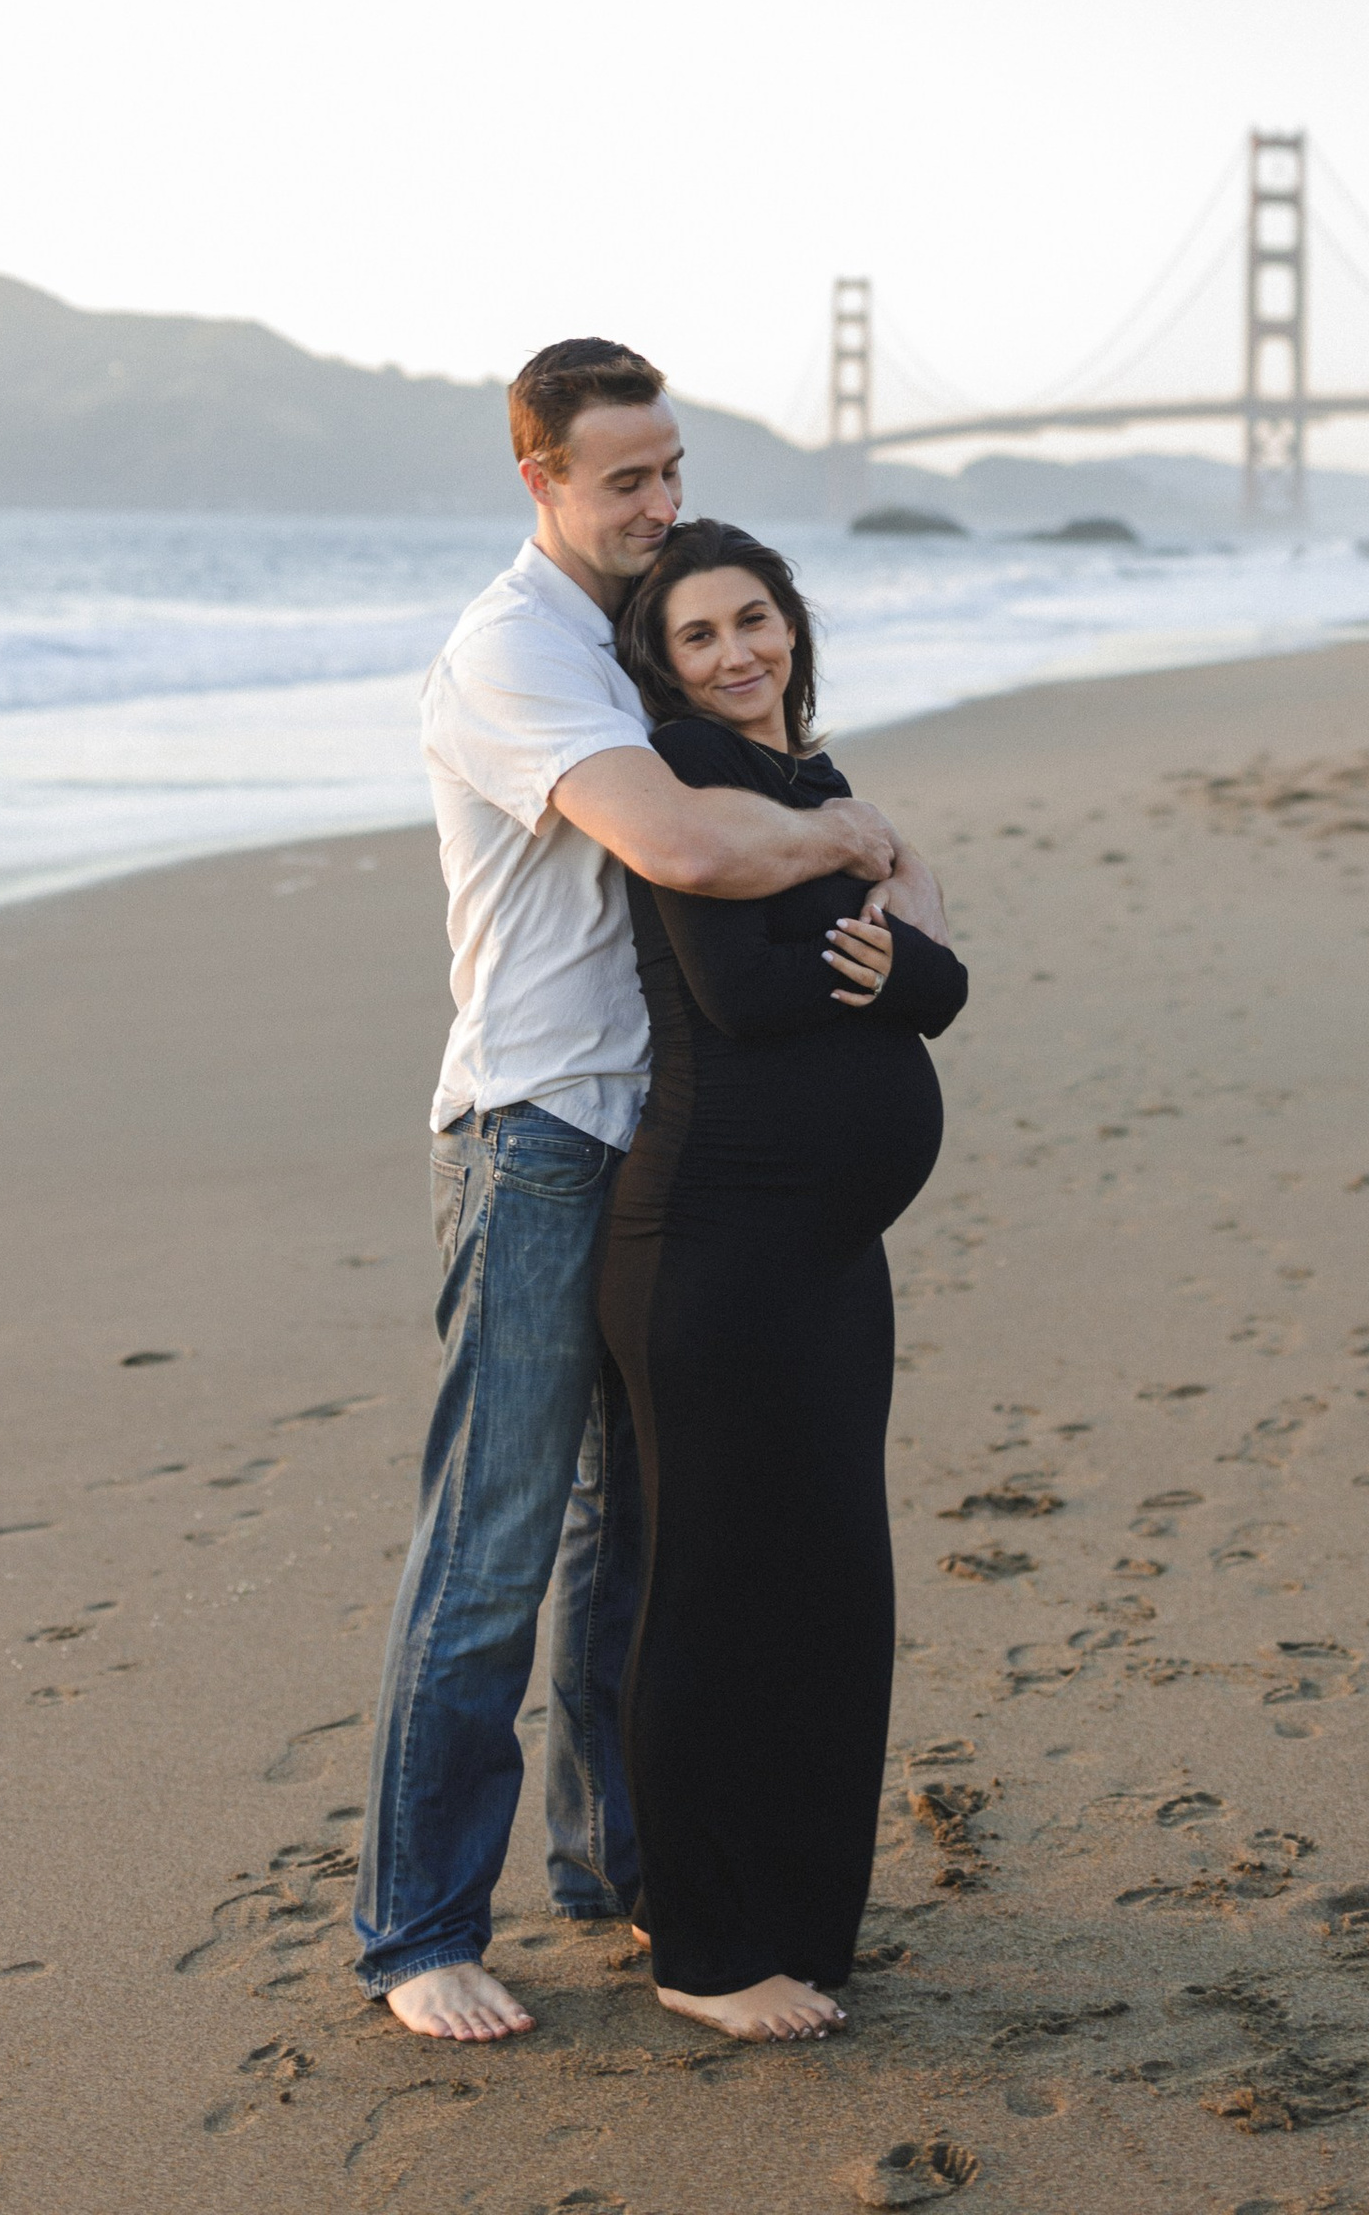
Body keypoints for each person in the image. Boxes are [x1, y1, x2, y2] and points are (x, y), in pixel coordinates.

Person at [353, 340, 934, 2047]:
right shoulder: (515, 653)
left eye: (672, 471)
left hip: (659, 1146)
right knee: (495, 1541)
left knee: (635, 1544)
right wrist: (857, 836)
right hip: (539, 1131)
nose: (660, 504)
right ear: (538, 477)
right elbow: (689, 850)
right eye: (626, 480)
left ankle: (619, 1871)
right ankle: (419, 1930)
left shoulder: (626, 641)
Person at [600, 519, 969, 2044]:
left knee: (835, 1590)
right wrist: (880, 946)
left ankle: (806, 1922)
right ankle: (699, 1946)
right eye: (700, 635)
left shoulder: (814, 791)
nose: (738, 652)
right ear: (666, 669)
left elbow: (942, 986)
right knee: (711, 1595)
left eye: (757, 620)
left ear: (794, 630)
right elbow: (749, 995)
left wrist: (899, 963)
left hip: (828, 1253)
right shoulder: (690, 789)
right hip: (712, 1250)